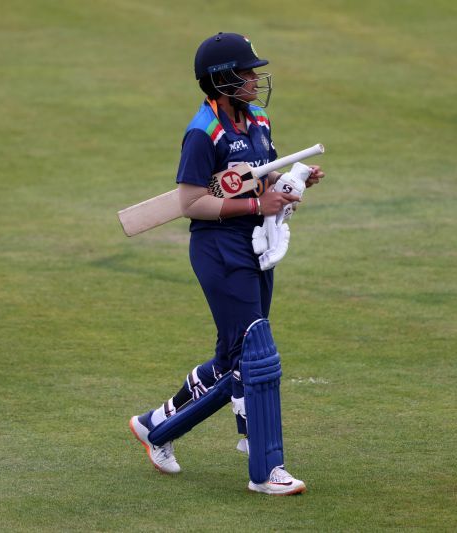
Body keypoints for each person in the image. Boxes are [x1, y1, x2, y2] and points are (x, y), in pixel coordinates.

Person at [128, 32, 324, 496]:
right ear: (222, 80)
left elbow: (259, 173)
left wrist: (291, 181)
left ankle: (156, 427)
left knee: (232, 359)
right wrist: (260, 206)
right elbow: (192, 202)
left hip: (255, 244)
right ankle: (264, 467)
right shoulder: (202, 132)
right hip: (218, 248)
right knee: (256, 353)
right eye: (247, 71)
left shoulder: (257, 118)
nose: (256, 78)